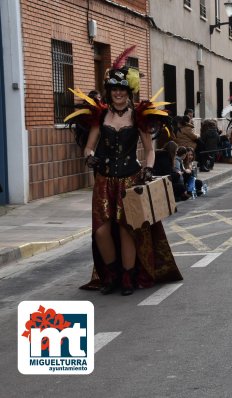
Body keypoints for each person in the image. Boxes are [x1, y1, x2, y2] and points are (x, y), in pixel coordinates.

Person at [65, 46, 182, 296]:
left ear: (128, 92)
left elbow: (150, 149)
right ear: (109, 92)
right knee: (101, 229)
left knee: (126, 227)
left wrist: (149, 170)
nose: (118, 94)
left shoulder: (139, 116)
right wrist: (90, 159)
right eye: (114, 90)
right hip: (104, 180)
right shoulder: (100, 115)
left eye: (122, 90)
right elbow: (88, 147)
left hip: (130, 179)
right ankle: (111, 274)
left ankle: (128, 277)